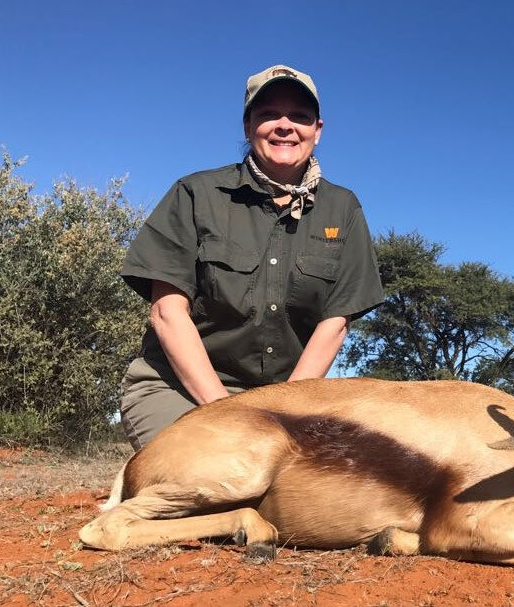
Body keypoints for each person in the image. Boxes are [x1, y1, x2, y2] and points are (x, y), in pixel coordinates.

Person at [118, 64, 384, 450]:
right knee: (211, 474)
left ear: (317, 129)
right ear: (247, 127)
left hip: (286, 400)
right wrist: (228, 415)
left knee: (316, 496)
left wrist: (283, 417)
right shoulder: (196, 193)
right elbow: (167, 313)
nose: (284, 125)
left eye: (299, 116)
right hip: (181, 387)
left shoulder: (342, 208)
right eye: (268, 115)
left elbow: (335, 324)